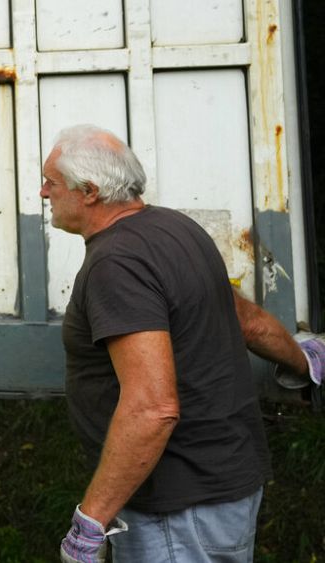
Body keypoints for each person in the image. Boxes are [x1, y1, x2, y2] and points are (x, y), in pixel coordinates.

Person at [41, 124, 322, 563]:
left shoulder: (116, 263)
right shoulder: (177, 228)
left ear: (89, 191)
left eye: (51, 183)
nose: (43, 193)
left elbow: (153, 408)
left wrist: (91, 522)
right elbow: (247, 321)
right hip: (225, 486)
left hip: (177, 507)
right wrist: (305, 364)